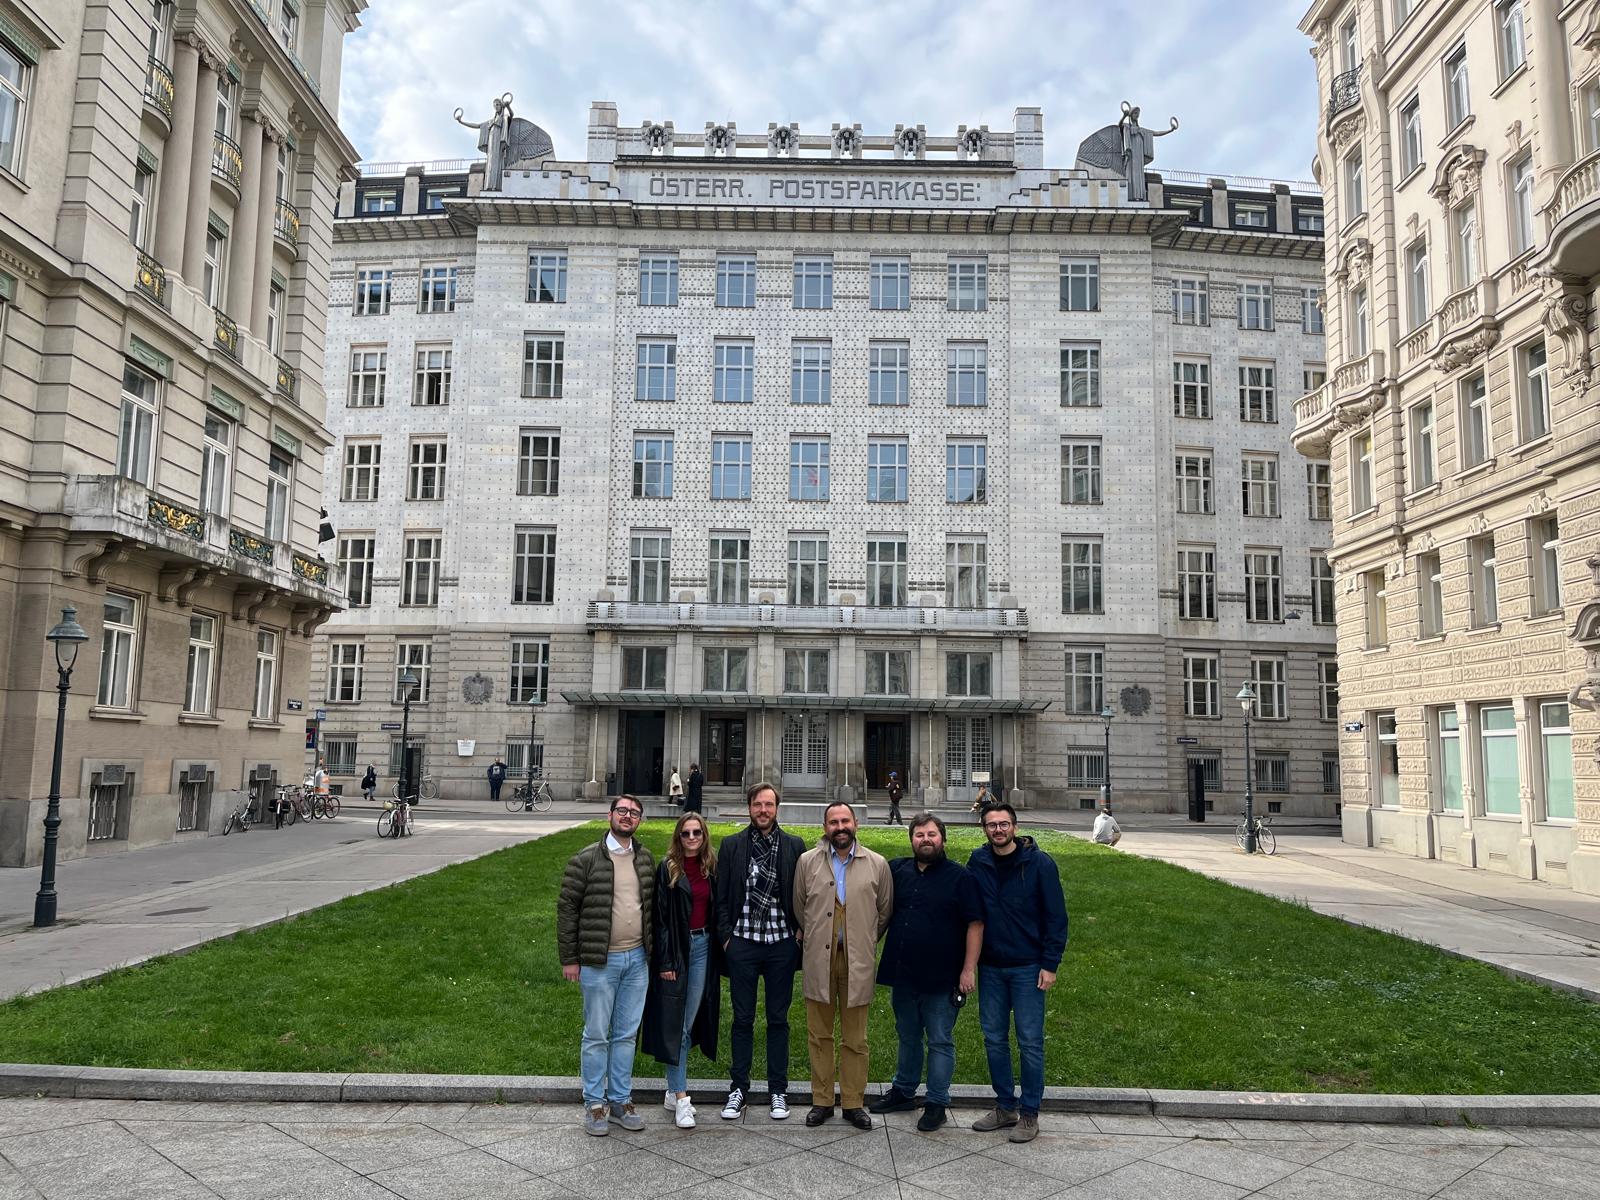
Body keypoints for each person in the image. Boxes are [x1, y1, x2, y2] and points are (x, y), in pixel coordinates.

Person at [872, 813, 983, 1131]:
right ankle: (904, 1091)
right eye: (919, 835)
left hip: (943, 977)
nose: (926, 840)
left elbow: (975, 924)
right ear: (911, 840)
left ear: (943, 839)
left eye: (932, 834)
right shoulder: (898, 871)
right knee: (907, 1036)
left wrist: (968, 970)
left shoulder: (961, 878)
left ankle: (937, 1102)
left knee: (939, 1040)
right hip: (903, 973)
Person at [967, 803, 1068, 1143]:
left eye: (1004, 824)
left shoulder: (1039, 864)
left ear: (1015, 826)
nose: (998, 830)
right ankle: (1005, 1106)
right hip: (992, 967)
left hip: (1028, 967)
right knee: (994, 1039)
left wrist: (1050, 964)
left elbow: (1057, 917)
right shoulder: (977, 862)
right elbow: (969, 914)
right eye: (992, 825)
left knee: (1029, 1042)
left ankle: (1029, 1113)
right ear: (984, 829)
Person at [556, 795, 655, 1136]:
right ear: (610, 815)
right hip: (600, 961)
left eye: (634, 813)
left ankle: (621, 1100)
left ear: (640, 820)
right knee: (596, 1034)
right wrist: (570, 958)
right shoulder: (586, 859)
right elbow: (567, 909)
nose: (627, 817)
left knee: (626, 1035)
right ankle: (594, 1104)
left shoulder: (644, 858)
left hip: (637, 960)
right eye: (622, 811)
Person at [793, 801, 893, 1129]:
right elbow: (799, 906)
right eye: (833, 822)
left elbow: (884, 911)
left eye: (845, 821)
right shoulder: (807, 862)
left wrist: (862, 940)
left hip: (857, 961)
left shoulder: (876, 864)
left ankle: (853, 1102)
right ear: (825, 828)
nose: (840, 827)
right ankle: (821, 1101)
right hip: (819, 960)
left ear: (856, 825)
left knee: (856, 1038)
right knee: (818, 1034)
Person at [713, 781, 805, 1121]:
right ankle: (739, 1088)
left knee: (778, 1019)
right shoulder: (733, 845)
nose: (763, 810)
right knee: (742, 1018)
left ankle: (777, 1089)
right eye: (757, 805)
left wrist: (799, 933)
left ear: (776, 808)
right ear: (749, 808)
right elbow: (721, 897)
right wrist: (726, 938)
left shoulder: (794, 845)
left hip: (782, 944)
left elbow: (803, 894)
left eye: (768, 805)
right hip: (744, 944)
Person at [642, 813, 721, 1129]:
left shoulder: (710, 867)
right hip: (678, 950)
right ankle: (683, 1100)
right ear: (678, 836)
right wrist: (666, 962)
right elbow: (660, 920)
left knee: (686, 1022)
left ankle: (673, 1090)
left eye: (697, 832)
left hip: (703, 948)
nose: (691, 838)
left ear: (704, 835)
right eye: (686, 833)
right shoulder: (668, 868)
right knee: (679, 1026)